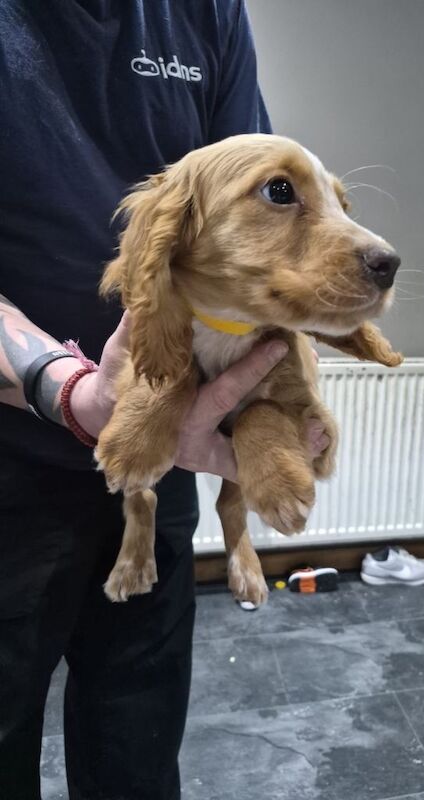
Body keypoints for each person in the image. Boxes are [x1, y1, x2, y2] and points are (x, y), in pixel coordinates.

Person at [0, 3, 327, 798]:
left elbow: (254, 218)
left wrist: (275, 387)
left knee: (137, 746)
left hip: (166, 452)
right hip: (10, 469)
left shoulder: (206, 11)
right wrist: (68, 388)